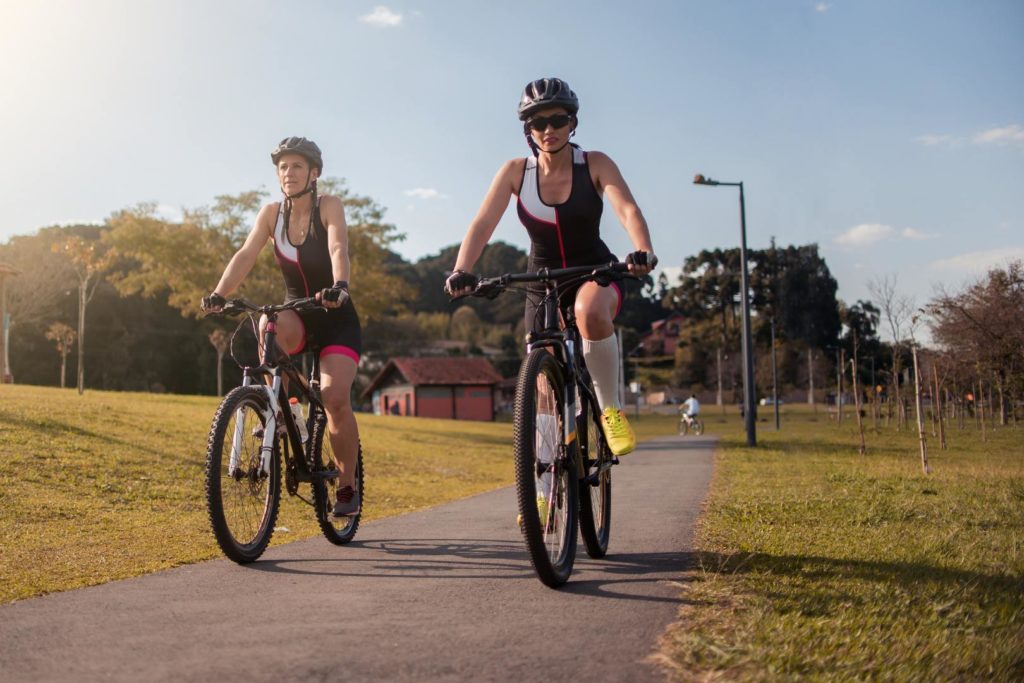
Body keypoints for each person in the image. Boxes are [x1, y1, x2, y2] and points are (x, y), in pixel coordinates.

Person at [444, 77, 657, 456]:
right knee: (541, 386)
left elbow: (627, 208)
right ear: (528, 130)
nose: (549, 130)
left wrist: (642, 250)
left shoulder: (594, 163)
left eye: (558, 120)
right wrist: (461, 269)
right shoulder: (515, 172)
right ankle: (541, 498)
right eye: (538, 123)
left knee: (589, 311)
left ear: (573, 123)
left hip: (595, 271)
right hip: (540, 281)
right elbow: (482, 224)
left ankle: (610, 410)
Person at [201, 137, 362, 517]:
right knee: (268, 322)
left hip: (336, 318)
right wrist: (220, 293)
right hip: (298, 315)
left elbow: (339, 247)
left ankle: (347, 485)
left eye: (297, 166)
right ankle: (282, 410)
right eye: (283, 167)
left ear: (314, 173)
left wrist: (340, 286)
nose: (288, 173)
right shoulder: (271, 214)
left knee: (336, 398)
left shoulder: (329, 207)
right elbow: (246, 253)